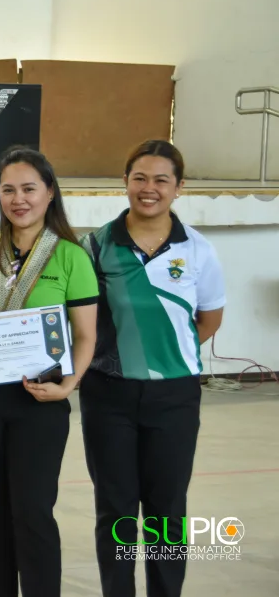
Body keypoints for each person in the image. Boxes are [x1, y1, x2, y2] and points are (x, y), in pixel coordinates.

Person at [0, 146, 99, 597]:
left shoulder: (70, 256)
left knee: (32, 514)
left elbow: (85, 335)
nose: (18, 199)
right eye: (8, 190)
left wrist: (69, 385)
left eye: (29, 189)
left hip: (39, 402)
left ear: (49, 193)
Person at [79, 141, 225, 597]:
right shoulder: (95, 246)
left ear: (179, 187)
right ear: (125, 182)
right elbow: (80, 322)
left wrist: (161, 357)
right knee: (116, 512)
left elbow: (208, 319)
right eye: (139, 178)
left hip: (174, 398)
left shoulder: (198, 249)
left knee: (167, 512)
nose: (149, 188)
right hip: (108, 395)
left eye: (162, 180)